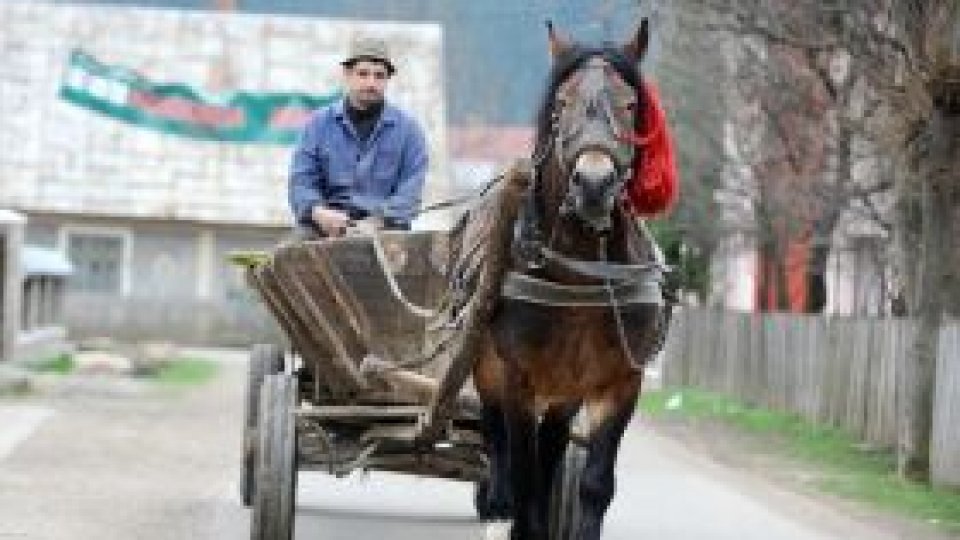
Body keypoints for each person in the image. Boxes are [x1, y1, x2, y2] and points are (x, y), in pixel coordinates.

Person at [288, 36, 429, 239]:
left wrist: (378, 221)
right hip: (324, 229)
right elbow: (301, 181)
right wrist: (318, 213)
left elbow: (411, 190)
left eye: (379, 76)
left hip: (387, 230)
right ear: (347, 74)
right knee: (290, 255)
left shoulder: (409, 131)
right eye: (363, 74)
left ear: (388, 79)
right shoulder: (318, 124)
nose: (371, 83)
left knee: (411, 266)